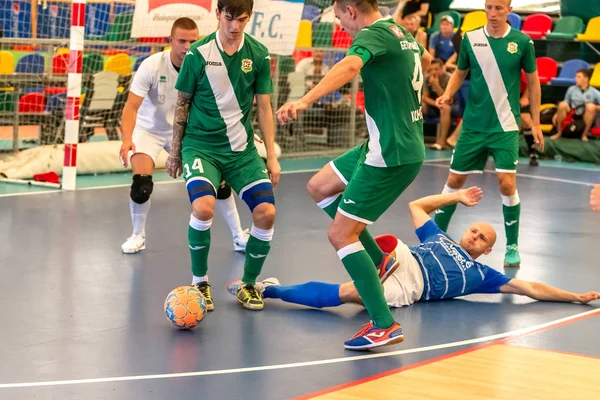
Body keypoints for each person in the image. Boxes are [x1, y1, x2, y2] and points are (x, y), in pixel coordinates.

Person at [276, 0, 433, 350]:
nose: (339, 24)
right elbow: (425, 60)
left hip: (392, 153)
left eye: (338, 17)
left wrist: (302, 101)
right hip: (383, 141)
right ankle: (380, 260)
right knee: (319, 186)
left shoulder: (373, 34)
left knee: (340, 234)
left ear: (350, 10)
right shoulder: (401, 31)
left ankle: (383, 324)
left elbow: (349, 66)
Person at [228, 187, 600, 310]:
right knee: (380, 240)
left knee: (350, 294)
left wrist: (573, 297)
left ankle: (268, 290)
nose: (474, 237)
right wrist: (454, 196)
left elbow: (529, 288)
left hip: (412, 288)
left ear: (486, 251)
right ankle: (340, 209)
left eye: (482, 239)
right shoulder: (439, 238)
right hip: (405, 256)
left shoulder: (483, 276)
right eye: (473, 230)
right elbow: (417, 208)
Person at [166, 0, 281, 312]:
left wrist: (271, 155)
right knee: (203, 208)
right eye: (229, 18)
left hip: (241, 149)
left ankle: (248, 284)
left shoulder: (258, 54)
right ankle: (200, 281)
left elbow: (264, 106)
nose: (234, 26)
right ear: (218, 15)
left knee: (266, 213)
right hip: (201, 145)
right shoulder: (198, 53)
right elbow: (182, 102)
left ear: (249, 17)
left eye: (241, 19)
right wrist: (176, 153)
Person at [118, 18, 251, 254]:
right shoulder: (151, 65)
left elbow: (226, 105)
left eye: (193, 41)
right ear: (170, 41)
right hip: (150, 130)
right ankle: (137, 235)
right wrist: (127, 138)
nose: (187, 46)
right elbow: (131, 107)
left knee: (219, 185)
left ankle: (239, 235)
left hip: (188, 130)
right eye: (181, 40)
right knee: (141, 185)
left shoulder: (207, 65)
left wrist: (248, 130)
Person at [433, 0, 545, 269]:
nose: (493, 13)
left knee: (507, 184)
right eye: (489, 7)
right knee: (454, 181)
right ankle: (434, 239)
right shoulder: (471, 39)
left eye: (498, 8)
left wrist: (537, 123)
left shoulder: (522, 42)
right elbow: (460, 73)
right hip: (473, 127)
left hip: (505, 126)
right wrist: (448, 94)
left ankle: (512, 246)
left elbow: (533, 81)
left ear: (509, 10)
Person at [550, 68, 600, 142]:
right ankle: (559, 133)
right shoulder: (571, 89)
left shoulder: (594, 92)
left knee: (591, 107)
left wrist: (594, 107)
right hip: (572, 113)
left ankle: (584, 135)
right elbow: (565, 102)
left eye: (578, 77)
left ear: (586, 79)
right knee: (562, 104)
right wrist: (557, 114)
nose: (575, 79)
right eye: (576, 77)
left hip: (585, 116)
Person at [423, 58, 460, 150]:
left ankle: (441, 142)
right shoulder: (426, 78)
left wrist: (436, 85)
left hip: (451, 105)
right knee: (420, 106)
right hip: (434, 105)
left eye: (436, 69)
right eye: (431, 70)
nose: (433, 72)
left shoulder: (449, 78)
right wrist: (436, 104)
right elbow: (425, 97)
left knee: (445, 107)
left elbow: (449, 100)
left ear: (443, 68)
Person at [519, 70, 538, 166]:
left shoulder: (520, 70)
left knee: (525, 119)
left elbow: (530, 83)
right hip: (504, 95)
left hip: (521, 94)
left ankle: (533, 152)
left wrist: (525, 97)